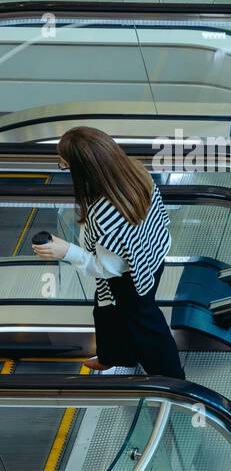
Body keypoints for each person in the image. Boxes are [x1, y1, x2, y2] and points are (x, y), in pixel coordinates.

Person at [31, 127, 183, 379]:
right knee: (107, 311)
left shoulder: (105, 213)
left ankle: (172, 382)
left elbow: (107, 268)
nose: (63, 167)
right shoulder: (135, 171)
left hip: (131, 278)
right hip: (152, 258)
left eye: (65, 164)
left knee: (147, 327)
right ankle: (114, 356)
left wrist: (66, 251)